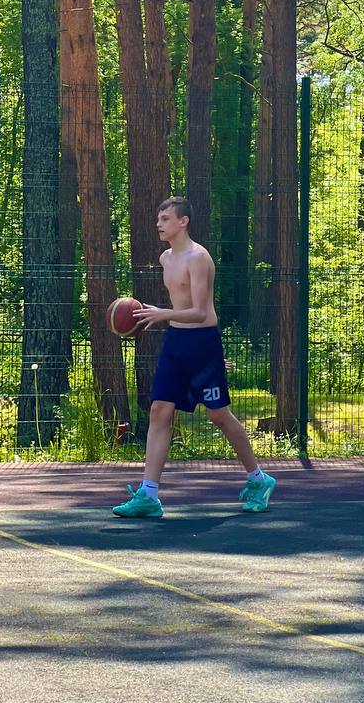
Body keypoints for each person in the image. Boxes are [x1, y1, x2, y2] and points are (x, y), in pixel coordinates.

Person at [112, 197, 276, 519]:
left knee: (218, 415)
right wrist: (163, 316)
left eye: (165, 218)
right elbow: (179, 308)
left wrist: (162, 314)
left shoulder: (199, 258)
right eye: (158, 218)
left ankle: (259, 479)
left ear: (183, 221)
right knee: (159, 411)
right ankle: (148, 495)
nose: (159, 224)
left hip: (202, 343)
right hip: (176, 342)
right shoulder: (165, 258)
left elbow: (200, 311)